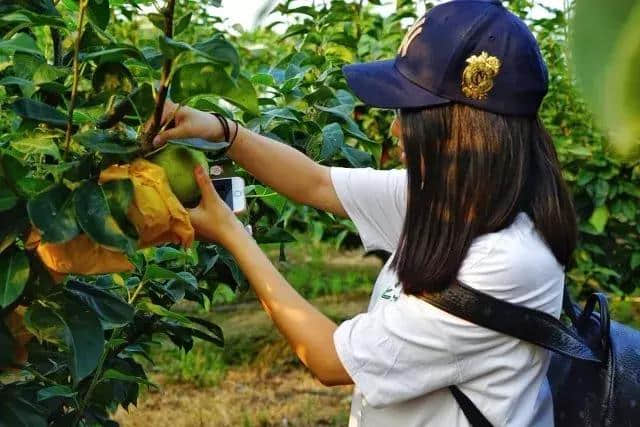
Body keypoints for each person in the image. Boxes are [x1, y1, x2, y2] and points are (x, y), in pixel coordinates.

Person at [151, 0, 577, 425]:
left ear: (458, 128)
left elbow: (328, 360)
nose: (395, 129)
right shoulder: (447, 200)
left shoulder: (507, 262)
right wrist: (224, 132)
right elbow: (314, 183)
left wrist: (233, 235)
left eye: (407, 112)